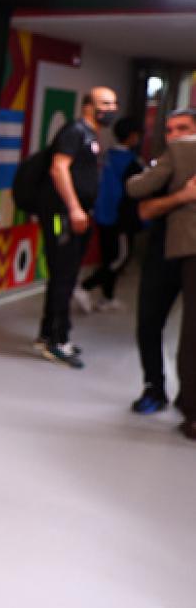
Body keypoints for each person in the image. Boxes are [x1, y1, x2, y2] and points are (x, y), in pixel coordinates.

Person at [34, 86, 119, 368]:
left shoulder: (90, 134)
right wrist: (73, 208)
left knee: (66, 274)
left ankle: (48, 334)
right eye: (105, 104)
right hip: (62, 215)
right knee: (64, 273)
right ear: (88, 106)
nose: (111, 109)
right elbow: (58, 169)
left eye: (113, 104)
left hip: (77, 214)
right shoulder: (75, 132)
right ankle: (58, 340)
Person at [127, 108, 196, 440]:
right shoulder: (161, 168)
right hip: (161, 256)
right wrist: (183, 197)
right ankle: (154, 387)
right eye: (169, 129)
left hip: (192, 257)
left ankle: (190, 400)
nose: (175, 134)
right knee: (149, 322)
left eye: (183, 128)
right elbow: (144, 209)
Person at [79, 117, 144, 311]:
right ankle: (85, 286)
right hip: (119, 218)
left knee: (110, 256)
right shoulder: (132, 163)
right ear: (132, 137)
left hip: (102, 214)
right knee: (119, 258)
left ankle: (107, 297)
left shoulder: (106, 156)